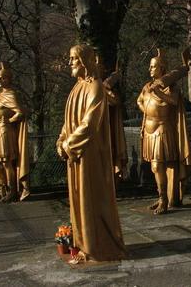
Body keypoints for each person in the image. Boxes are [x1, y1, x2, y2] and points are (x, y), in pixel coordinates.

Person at [56, 44, 126, 263]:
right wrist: (61, 139)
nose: (70, 63)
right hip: (76, 154)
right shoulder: (76, 88)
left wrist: (68, 144)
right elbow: (69, 122)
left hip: (90, 156)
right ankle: (82, 243)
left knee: (90, 198)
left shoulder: (95, 88)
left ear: (85, 61)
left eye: (73, 59)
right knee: (78, 198)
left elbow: (89, 124)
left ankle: (96, 247)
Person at [137, 49, 191, 215]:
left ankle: (164, 199)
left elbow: (174, 101)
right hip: (149, 130)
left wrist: (158, 93)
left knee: (159, 166)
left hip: (163, 130)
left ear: (162, 69)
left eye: (154, 67)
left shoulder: (170, 87)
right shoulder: (147, 86)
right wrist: (147, 109)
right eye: (150, 67)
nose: (150, 69)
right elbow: (139, 100)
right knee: (156, 167)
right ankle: (162, 196)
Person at [0, 62, 29, 202]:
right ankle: (1, 189)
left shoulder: (10, 95)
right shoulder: (1, 95)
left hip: (5, 132)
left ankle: (12, 192)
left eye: (2, 78)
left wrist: (8, 122)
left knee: (7, 163)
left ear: (8, 78)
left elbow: (20, 113)